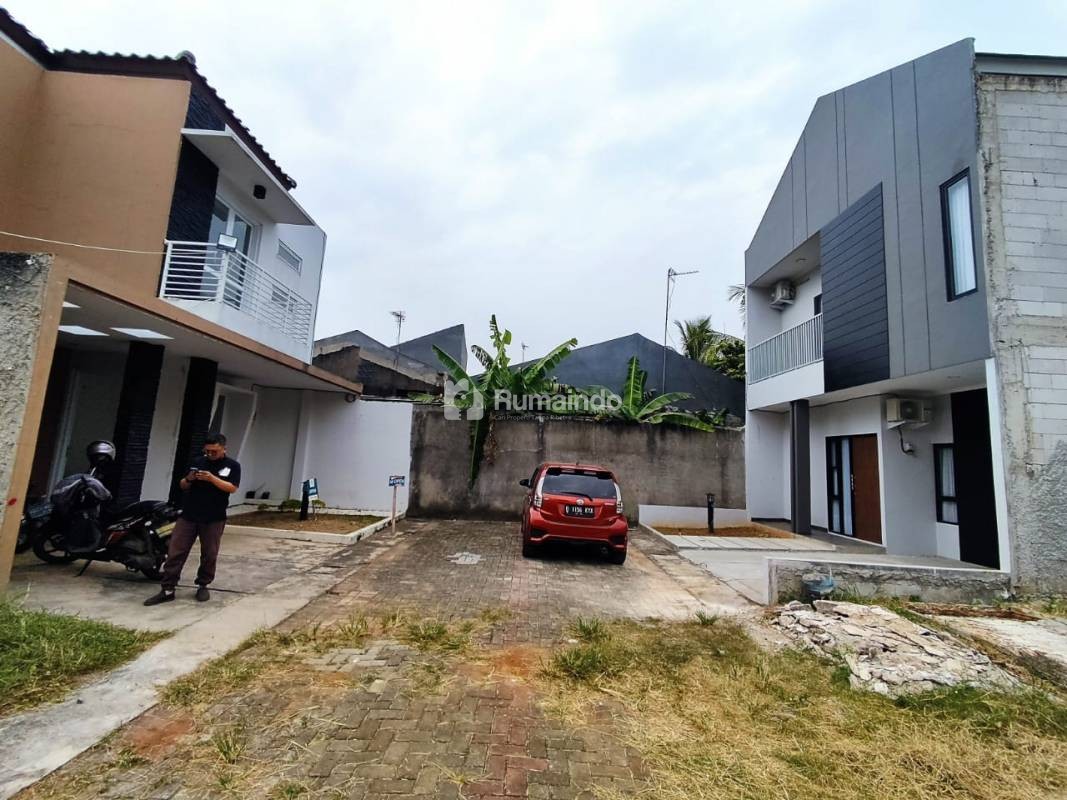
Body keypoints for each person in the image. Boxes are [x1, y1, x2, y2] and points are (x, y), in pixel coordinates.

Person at [145, 433, 240, 606]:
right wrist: (189, 478)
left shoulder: (232, 466)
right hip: (189, 515)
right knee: (176, 551)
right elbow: (182, 485)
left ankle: (203, 584)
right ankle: (168, 588)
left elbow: (232, 488)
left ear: (224, 449)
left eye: (214, 451)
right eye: (207, 451)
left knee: (209, 553)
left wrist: (212, 478)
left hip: (213, 517)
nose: (210, 454)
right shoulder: (197, 462)